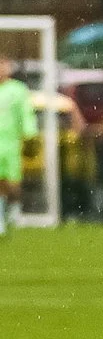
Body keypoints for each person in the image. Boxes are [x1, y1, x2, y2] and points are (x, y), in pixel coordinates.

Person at [0, 57, 32, 234]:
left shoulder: (17, 90)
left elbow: (25, 112)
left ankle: (14, 209)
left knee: (12, 181)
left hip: (11, 142)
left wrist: (29, 134)